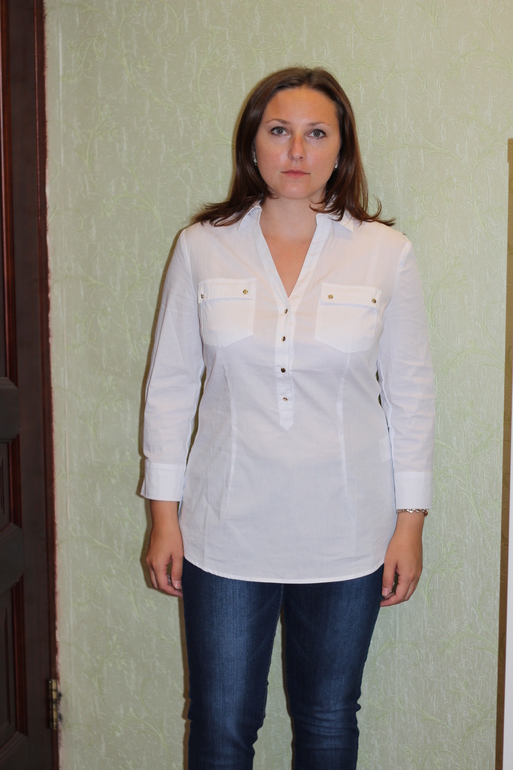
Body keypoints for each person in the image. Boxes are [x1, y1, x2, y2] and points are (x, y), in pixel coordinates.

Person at [141, 66, 435, 770]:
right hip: (224, 531)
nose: (296, 150)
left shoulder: (384, 254)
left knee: (328, 719)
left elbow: (411, 395)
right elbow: (170, 387)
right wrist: (163, 518)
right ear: (253, 144)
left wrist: (410, 524)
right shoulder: (201, 247)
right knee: (219, 723)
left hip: (347, 532)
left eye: (316, 133)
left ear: (341, 149)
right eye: (279, 131)